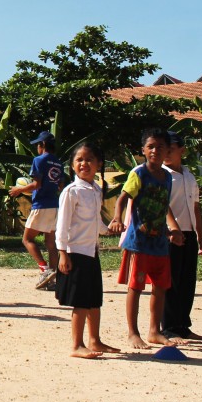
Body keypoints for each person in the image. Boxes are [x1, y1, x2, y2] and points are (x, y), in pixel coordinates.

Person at [108, 128, 184, 350]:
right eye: (151, 146)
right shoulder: (138, 173)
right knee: (136, 287)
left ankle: (154, 331)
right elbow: (123, 198)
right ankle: (133, 333)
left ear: (167, 150)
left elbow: (164, 204)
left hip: (160, 243)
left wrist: (173, 229)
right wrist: (116, 218)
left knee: (160, 287)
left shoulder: (167, 177)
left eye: (160, 147)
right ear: (143, 150)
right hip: (138, 243)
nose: (155, 150)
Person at [54, 143, 120, 358]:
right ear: (72, 165)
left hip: (92, 252)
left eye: (89, 159)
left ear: (99, 164)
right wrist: (62, 253)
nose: (84, 164)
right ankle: (76, 345)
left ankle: (95, 340)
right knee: (81, 301)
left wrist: (109, 229)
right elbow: (62, 225)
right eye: (79, 160)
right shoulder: (70, 192)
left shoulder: (95, 190)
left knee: (93, 300)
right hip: (75, 252)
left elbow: (95, 221)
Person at [161, 131, 202, 341]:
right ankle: (168, 326)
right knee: (170, 281)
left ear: (182, 150)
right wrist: (172, 230)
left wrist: (200, 234)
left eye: (171, 149)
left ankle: (182, 324)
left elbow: (196, 207)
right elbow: (162, 206)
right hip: (170, 234)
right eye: (164, 149)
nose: (167, 153)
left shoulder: (189, 176)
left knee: (188, 281)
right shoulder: (161, 176)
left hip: (189, 233)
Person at [9, 131, 64, 290]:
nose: (37, 149)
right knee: (50, 243)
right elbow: (60, 186)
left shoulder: (39, 160)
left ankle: (45, 269)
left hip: (41, 205)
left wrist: (19, 190)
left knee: (27, 239)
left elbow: (36, 184)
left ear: (43, 145)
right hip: (54, 205)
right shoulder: (58, 163)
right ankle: (53, 278)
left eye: (38, 145)